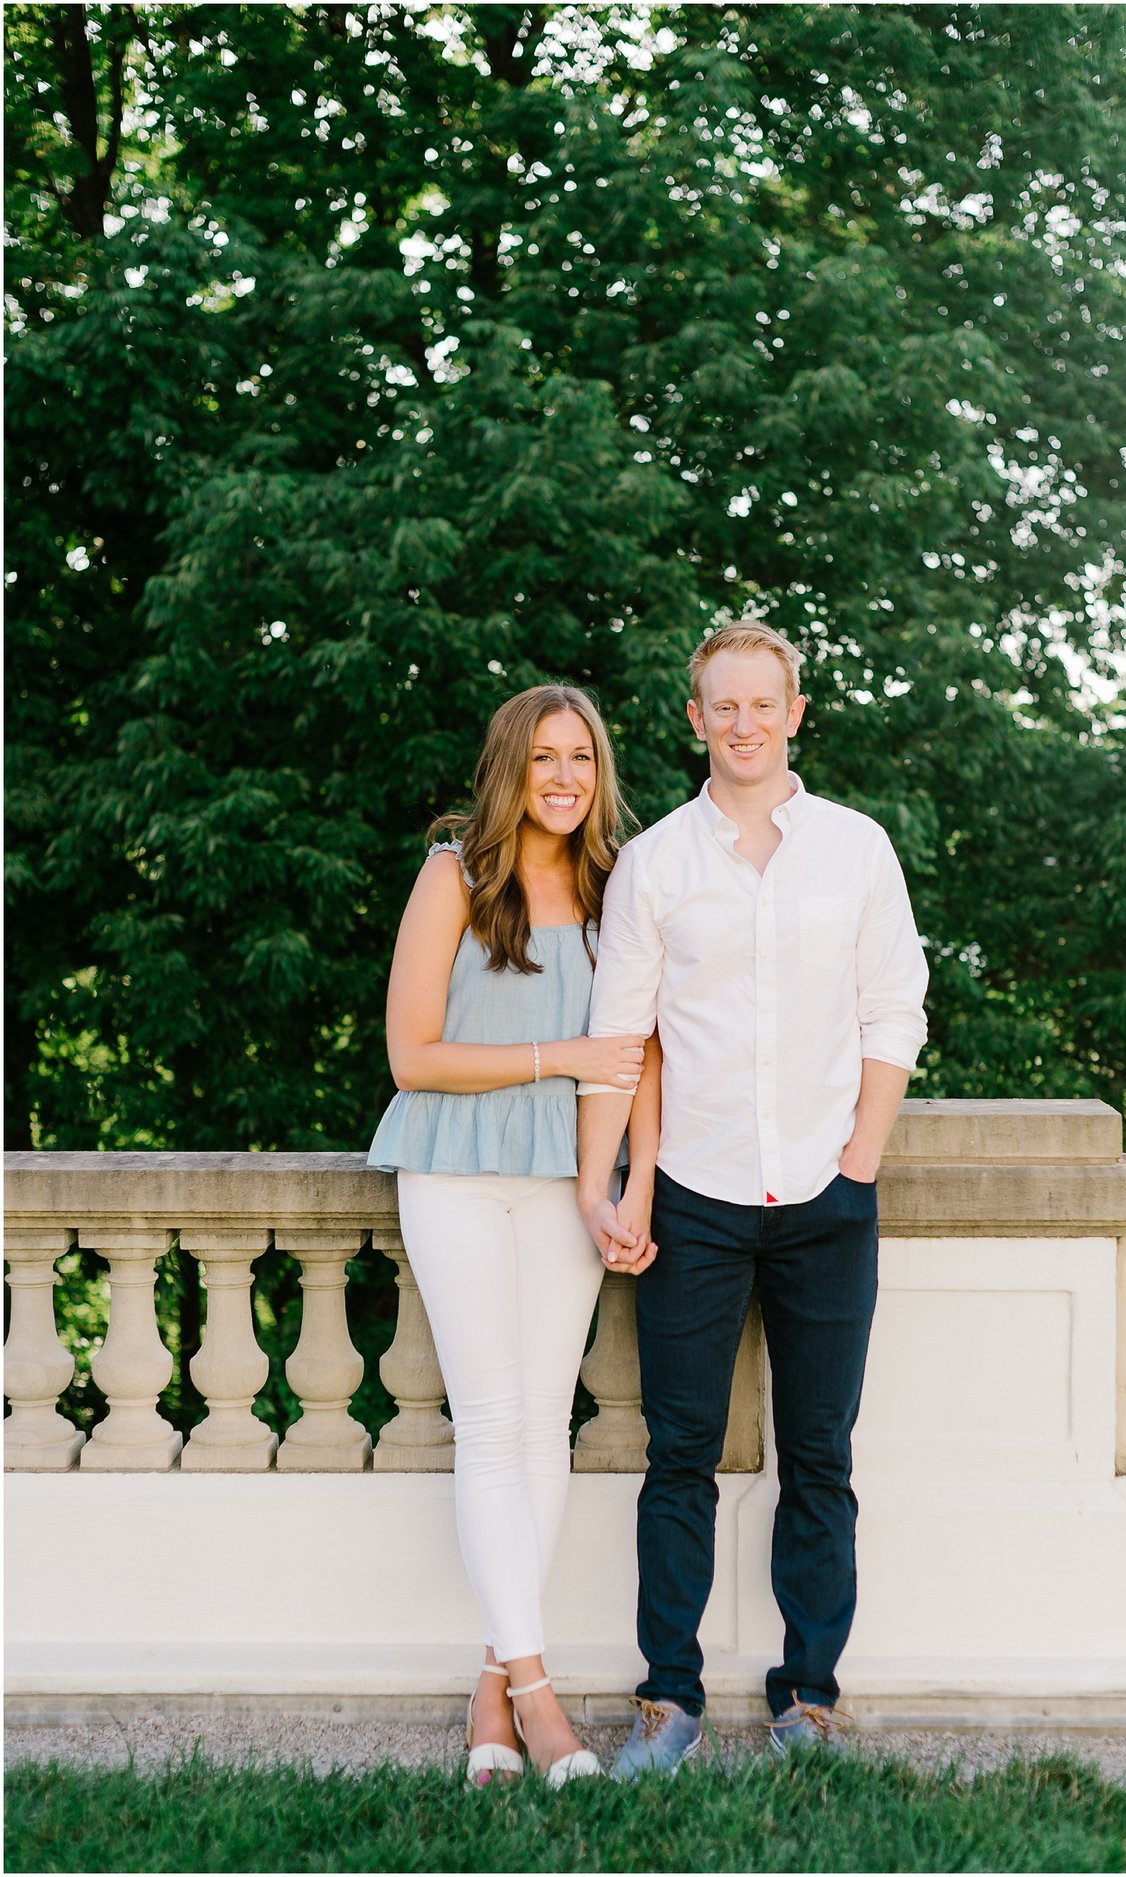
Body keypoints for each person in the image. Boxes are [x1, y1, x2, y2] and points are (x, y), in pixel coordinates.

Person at [576, 618, 929, 1780]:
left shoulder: (857, 849)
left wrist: (861, 1158)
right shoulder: (657, 863)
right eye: (720, 705)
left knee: (817, 1454)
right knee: (678, 1450)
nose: (742, 723)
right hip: (694, 1194)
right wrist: (617, 1180)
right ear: (694, 718)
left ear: (794, 711)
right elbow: (620, 1036)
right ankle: (666, 1698)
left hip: (830, 1194)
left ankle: (808, 1695)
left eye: (760, 704)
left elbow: (894, 1008)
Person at [369, 682, 659, 1788]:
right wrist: (561, 1057)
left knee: (546, 1423)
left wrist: (629, 1182)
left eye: (580, 756)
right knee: (494, 1420)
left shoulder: (618, 882)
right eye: (544, 756)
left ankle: (493, 1687)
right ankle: (538, 1699)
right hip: (451, 1169)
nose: (564, 776)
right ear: (510, 766)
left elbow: (646, 1050)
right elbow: (412, 1052)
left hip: (566, 1180)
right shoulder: (456, 872)